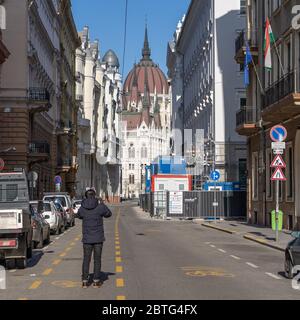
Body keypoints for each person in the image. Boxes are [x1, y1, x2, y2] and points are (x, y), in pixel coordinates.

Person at [78, 188, 112, 289]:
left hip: (87, 238)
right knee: (97, 259)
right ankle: (96, 281)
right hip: (98, 238)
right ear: (95, 195)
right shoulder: (100, 206)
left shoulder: (83, 207)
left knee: (86, 259)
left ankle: (85, 281)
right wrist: (102, 203)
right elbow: (109, 214)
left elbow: (79, 215)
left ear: (86, 196)